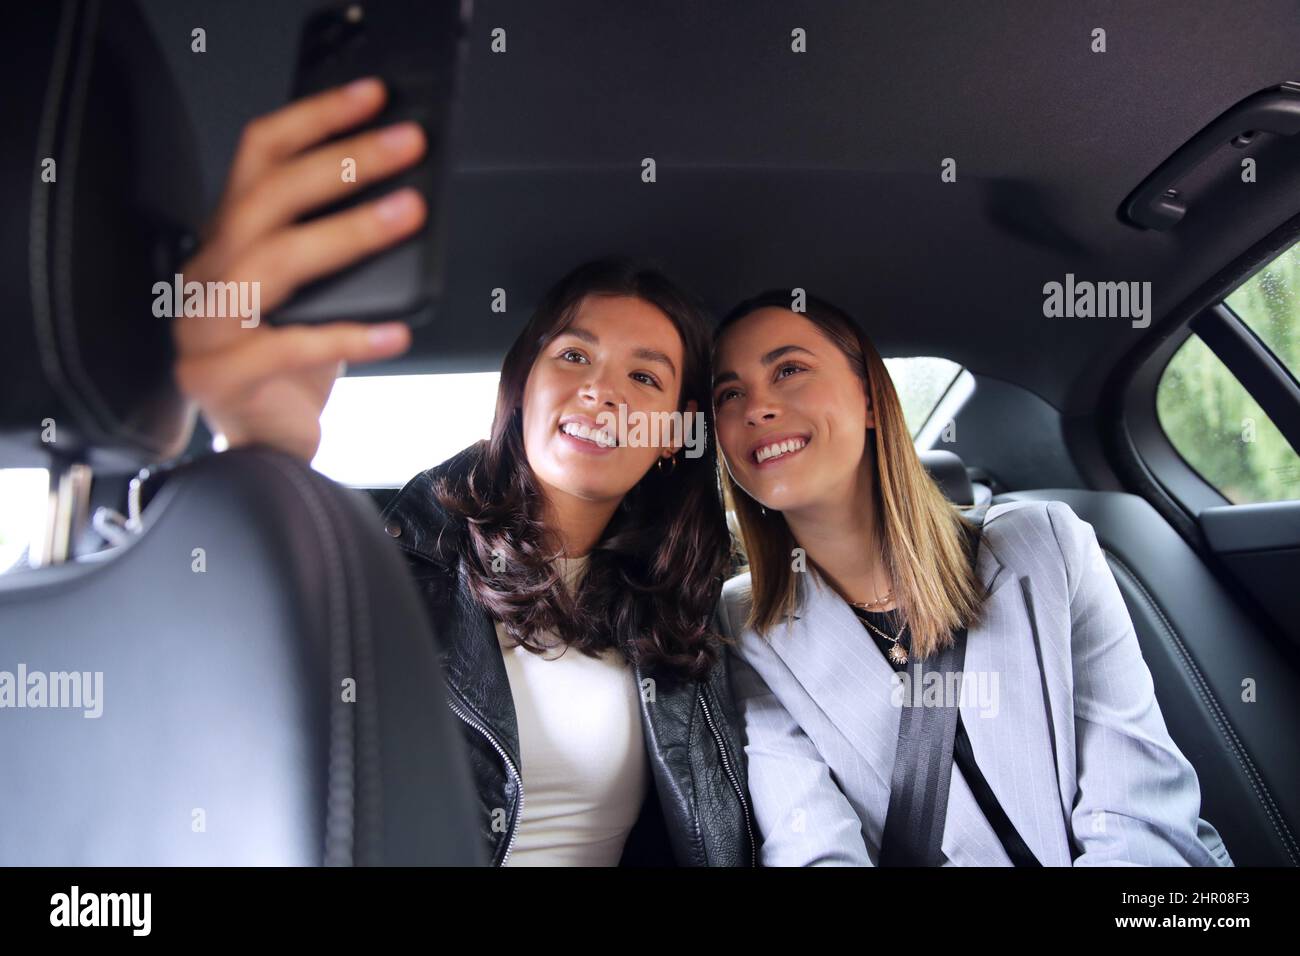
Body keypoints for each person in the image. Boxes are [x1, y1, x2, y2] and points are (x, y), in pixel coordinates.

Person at [172, 79, 754, 866]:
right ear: (523, 391)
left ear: (671, 435)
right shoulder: (389, 562)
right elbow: (228, 693)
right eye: (574, 355)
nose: (600, 390)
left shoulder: (697, 611)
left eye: (645, 378)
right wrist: (257, 455)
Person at [709, 290, 1231, 867]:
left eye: (789, 370)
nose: (755, 407)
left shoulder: (1044, 546)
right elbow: (809, 842)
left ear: (870, 400)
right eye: (730, 393)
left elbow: (1137, 818)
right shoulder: (747, 624)